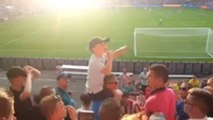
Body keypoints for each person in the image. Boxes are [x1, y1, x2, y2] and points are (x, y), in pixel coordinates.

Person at [86, 37, 127, 120]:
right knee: (118, 94)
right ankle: (115, 115)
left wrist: (122, 50)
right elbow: (108, 71)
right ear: (94, 48)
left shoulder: (99, 56)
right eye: (101, 44)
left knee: (118, 93)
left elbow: (113, 55)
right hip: (96, 92)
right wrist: (109, 59)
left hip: (97, 88)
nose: (104, 46)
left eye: (104, 44)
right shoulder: (95, 61)